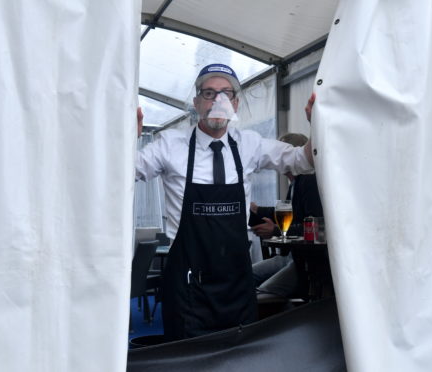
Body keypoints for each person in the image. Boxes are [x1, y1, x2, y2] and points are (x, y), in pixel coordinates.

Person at [135, 64, 315, 341]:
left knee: (238, 358)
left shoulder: (250, 144)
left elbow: (302, 160)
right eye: (209, 93)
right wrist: (125, 139)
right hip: (188, 285)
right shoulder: (169, 145)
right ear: (196, 102)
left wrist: (320, 125)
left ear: (235, 103)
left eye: (225, 93)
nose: (217, 101)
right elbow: (123, 174)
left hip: (236, 283)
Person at [250, 132, 324, 298]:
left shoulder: (308, 181)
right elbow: (290, 215)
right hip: (296, 258)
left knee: (263, 293)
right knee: (248, 276)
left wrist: (276, 231)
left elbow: (317, 229)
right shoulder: (296, 184)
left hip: (306, 264)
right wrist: (258, 210)